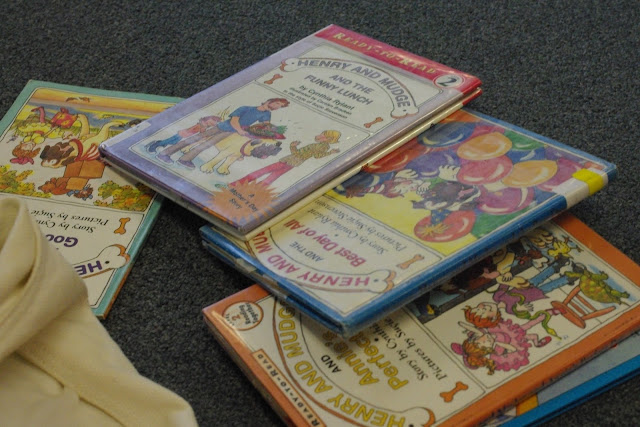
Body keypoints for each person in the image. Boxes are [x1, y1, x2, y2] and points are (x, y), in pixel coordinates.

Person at [156, 98, 289, 169]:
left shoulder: (266, 114)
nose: (277, 106)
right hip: (225, 127)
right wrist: (240, 130)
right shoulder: (245, 108)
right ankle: (165, 154)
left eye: (280, 106)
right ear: (269, 101)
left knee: (206, 144)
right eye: (277, 103)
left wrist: (272, 131)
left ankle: (185, 159)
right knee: (196, 139)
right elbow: (234, 121)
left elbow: (265, 125)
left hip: (232, 132)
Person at [232, 129, 341, 186]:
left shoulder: (322, 146)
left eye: (324, 135)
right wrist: (293, 147)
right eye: (322, 133)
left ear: (329, 139)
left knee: (264, 171)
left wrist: (293, 146)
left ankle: (238, 184)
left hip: (292, 160)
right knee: (272, 176)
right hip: (294, 161)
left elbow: (314, 155)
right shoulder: (321, 145)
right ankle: (251, 191)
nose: (320, 135)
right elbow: (309, 154)